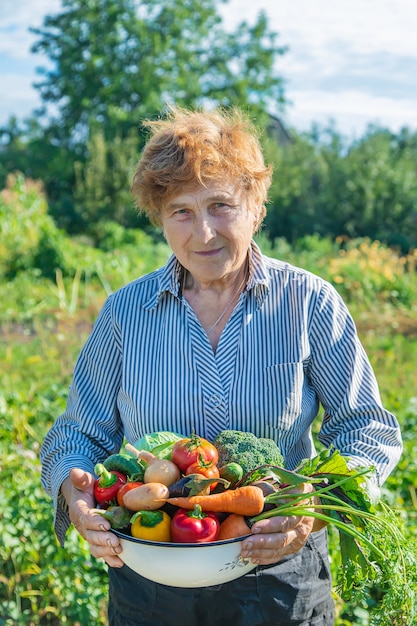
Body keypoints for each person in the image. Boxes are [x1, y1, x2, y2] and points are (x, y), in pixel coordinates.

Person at [40, 106, 402, 626]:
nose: (203, 231)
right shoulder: (124, 312)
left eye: (221, 205)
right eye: (181, 212)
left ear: (256, 206)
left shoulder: (309, 302)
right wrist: (73, 491)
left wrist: (315, 507)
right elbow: (79, 432)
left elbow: (367, 428)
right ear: (160, 219)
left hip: (278, 575)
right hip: (150, 572)